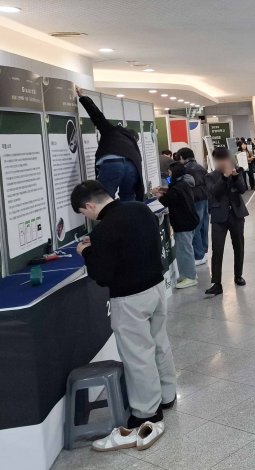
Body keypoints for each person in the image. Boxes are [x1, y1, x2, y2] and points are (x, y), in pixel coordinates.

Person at [70, 181, 175, 436]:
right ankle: (167, 395)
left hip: (129, 298)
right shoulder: (140, 209)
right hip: (156, 287)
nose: (87, 217)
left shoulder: (104, 230)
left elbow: (102, 275)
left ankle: (147, 413)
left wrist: (87, 253)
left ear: (89, 205)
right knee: (159, 343)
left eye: (84, 213)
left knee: (137, 355)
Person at [76, 87, 144, 202]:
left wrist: (83, 98)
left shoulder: (113, 130)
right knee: (128, 197)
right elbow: (138, 165)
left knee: (103, 200)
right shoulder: (132, 144)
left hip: (112, 164)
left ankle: (110, 214)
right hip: (132, 166)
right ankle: (129, 214)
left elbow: (97, 116)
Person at [204, 148, 248, 295]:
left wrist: (235, 177)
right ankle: (217, 283)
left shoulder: (237, 172)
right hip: (219, 216)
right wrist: (224, 177)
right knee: (217, 249)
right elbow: (214, 192)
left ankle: (238, 275)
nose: (223, 162)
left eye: (225, 159)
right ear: (215, 161)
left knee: (239, 246)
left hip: (236, 214)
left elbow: (243, 189)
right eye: (220, 159)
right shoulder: (210, 176)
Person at [151, 162, 199, 289]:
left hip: (184, 224)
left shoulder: (177, 188)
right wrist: (163, 190)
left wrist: (158, 195)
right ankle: (188, 274)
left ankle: (190, 277)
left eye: (170, 172)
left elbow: (166, 200)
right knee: (185, 250)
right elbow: (172, 192)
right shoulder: (183, 184)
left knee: (184, 251)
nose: (169, 174)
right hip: (189, 222)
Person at [174, 148, 210, 266]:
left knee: (195, 227)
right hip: (205, 198)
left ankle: (198, 255)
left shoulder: (186, 169)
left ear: (181, 157)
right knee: (203, 226)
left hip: (194, 200)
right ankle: (203, 251)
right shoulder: (201, 167)